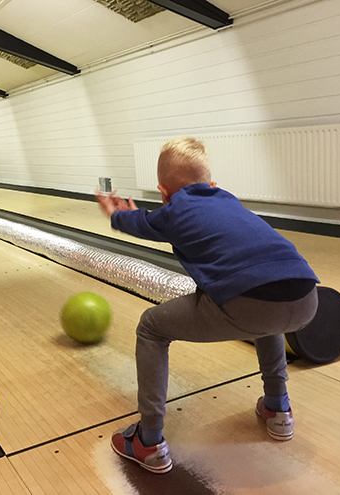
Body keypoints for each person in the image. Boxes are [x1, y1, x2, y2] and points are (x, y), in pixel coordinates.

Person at [95, 137, 319, 474]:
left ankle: (148, 440)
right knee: (265, 318)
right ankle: (278, 408)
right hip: (307, 298)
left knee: (151, 327)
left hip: (249, 303)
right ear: (212, 185)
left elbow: (140, 223)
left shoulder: (174, 210)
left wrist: (116, 215)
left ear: (163, 192)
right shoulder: (230, 202)